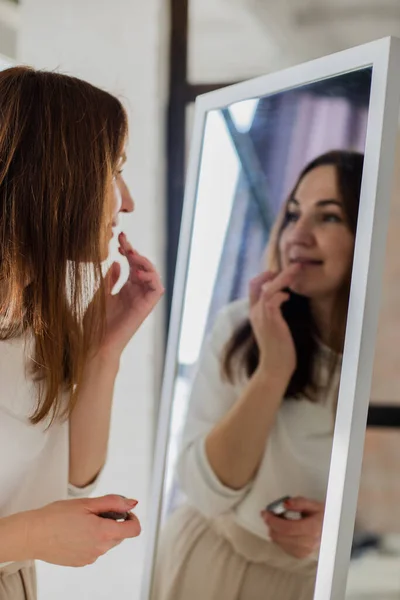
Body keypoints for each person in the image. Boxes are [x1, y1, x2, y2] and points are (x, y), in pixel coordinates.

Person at [151, 150, 364, 600]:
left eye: (328, 217)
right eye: (292, 215)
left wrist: (345, 532)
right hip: (207, 561)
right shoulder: (239, 328)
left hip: (321, 585)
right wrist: (272, 371)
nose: (298, 235)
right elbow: (205, 491)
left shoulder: (382, 367)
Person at [0, 66, 164, 599]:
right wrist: (28, 534)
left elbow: (73, 481)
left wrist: (103, 352)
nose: (127, 201)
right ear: (53, 177)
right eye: (112, 171)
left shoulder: (31, 324)